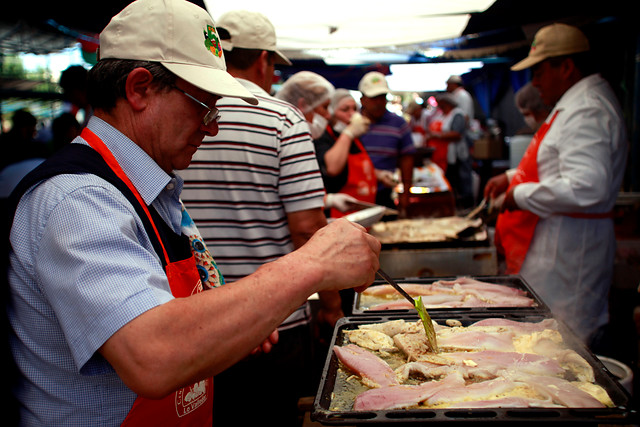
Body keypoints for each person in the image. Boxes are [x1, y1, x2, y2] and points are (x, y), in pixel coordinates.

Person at [3, 1, 381, 425]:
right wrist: (313, 263)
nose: (212, 125)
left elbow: (169, 309)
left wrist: (231, 319)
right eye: (203, 105)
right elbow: (153, 357)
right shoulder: (77, 199)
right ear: (139, 88)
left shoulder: (152, 186)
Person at [177, 11, 340, 426]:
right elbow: (307, 228)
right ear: (264, 60)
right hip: (274, 324)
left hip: (189, 322)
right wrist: (332, 307)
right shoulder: (281, 117)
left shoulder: (180, 112)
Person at [483, 23, 628, 348]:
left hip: (571, 253)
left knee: (565, 342)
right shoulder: (572, 106)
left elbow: (587, 187)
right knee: (543, 337)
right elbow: (555, 165)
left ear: (566, 67)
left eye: (539, 71)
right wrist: (508, 178)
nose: (534, 81)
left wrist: (518, 194)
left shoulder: (587, 109)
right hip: (555, 246)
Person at [357, 71, 415, 215]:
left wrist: (406, 193)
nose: (378, 102)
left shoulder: (398, 124)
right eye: (373, 98)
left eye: (382, 97)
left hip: (385, 194)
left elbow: (407, 158)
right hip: (355, 195)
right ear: (362, 99)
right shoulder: (351, 123)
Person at [313, 88, 376, 218]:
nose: (352, 114)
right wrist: (348, 133)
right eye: (345, 110)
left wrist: (379, 175)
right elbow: (332, 168)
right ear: (331, 113)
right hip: (340, 215)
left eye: (354, 109)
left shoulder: (355, 139)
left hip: (362, 215)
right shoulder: (323, 137)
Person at [425, 93, 473, 208]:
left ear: (447, 104)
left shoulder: (457, 115)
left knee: (463, 179)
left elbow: (457, 134)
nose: (440, 107)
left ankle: (466, 205)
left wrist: (437, 136)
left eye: (442, 105)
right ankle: (453, 203)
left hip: (459, 154)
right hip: (447, 155)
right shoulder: (444, 115)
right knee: (452, 179)